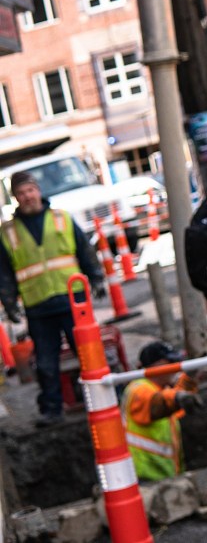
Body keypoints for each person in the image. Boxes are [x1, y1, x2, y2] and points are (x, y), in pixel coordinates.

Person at [0, 170, 106, 426]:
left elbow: (85, 251)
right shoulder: (8, 232)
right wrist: (9, 302)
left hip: (72, 299)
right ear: (15, 197)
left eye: (30, 190)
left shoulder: (62, 218)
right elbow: (4, 271)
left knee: (88, 353)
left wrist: (97, 278)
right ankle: (52, 409)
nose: (27, 196)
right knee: (46, 362)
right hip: (38, 305)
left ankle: (100, 398)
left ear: (38, 190)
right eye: (22, 193)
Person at [122, 341, 201, 481]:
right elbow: (159, 403)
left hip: (160, 476)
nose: (174, 367)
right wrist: (177, 398)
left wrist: (189, 379)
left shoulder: (160, 388)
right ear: (153, 366)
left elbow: (173, 403)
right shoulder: (138, 389)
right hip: (144, 478)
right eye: (169, 362)